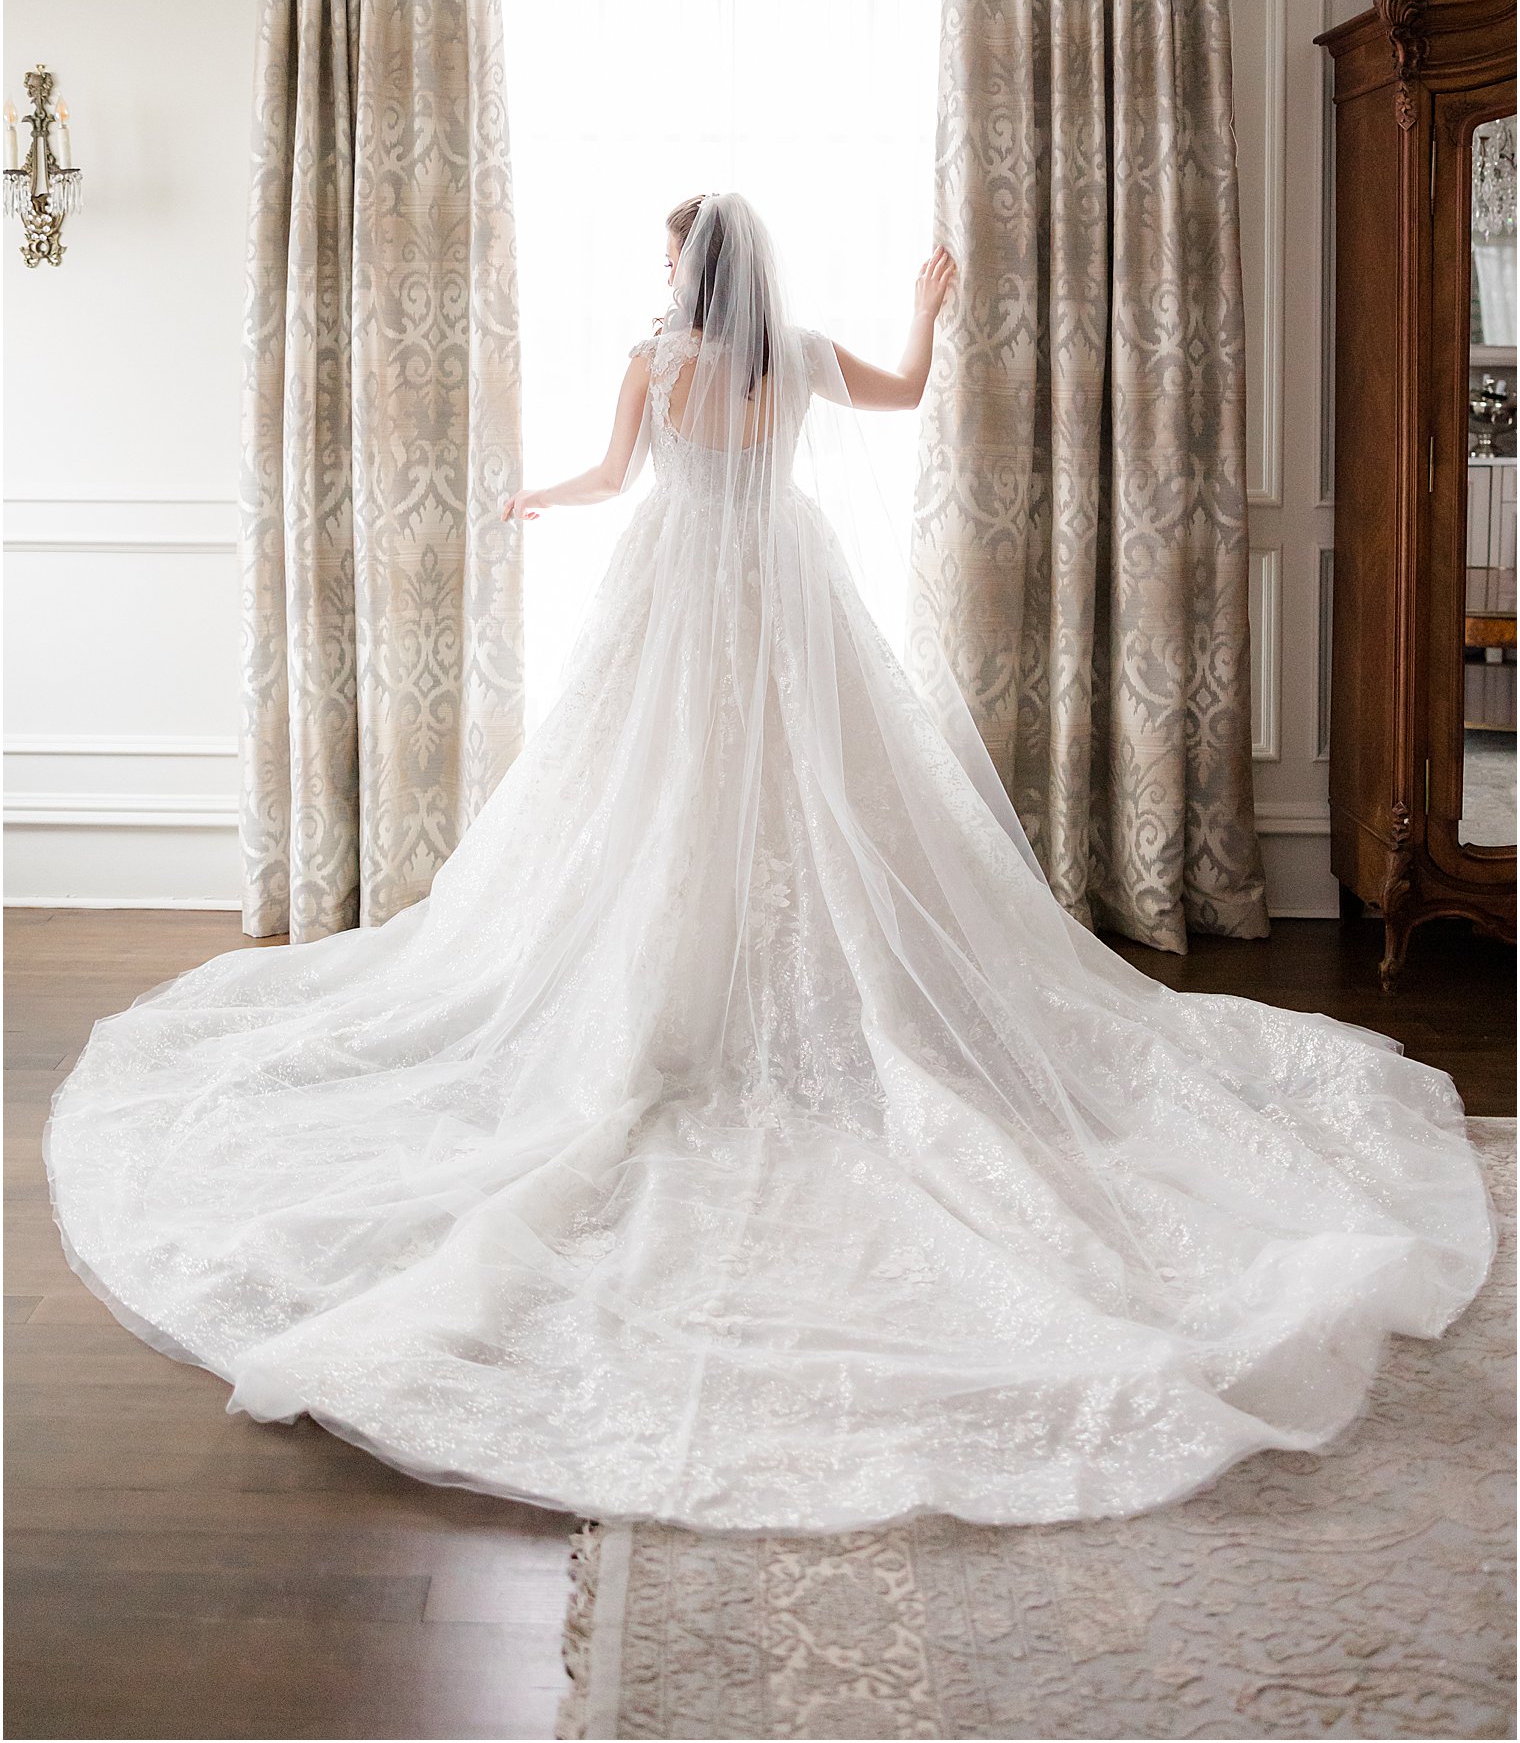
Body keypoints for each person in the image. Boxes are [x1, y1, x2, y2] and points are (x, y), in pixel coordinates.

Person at [45, 191, 1495, 1535]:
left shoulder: (652, 361)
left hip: (677, 589)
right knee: (808, 805)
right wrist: (927, 305)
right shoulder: (791, 356)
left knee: (653, 807)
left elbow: (617, 477)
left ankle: (671, 995)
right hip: (783, 590)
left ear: (690, 266)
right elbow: (913, 393)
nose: (662, 273)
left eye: (671, 253)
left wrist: (542, 498)